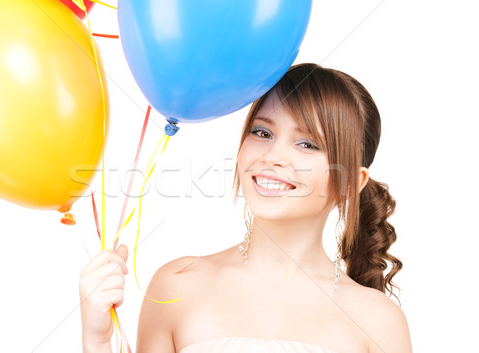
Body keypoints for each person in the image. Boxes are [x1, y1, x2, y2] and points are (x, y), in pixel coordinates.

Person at [79, 63, 412, 353]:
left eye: (307, 143)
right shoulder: (176, 287)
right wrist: (97, 342)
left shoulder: (379, 321)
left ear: (351, 183)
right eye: (262, 132)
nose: (272, 156)